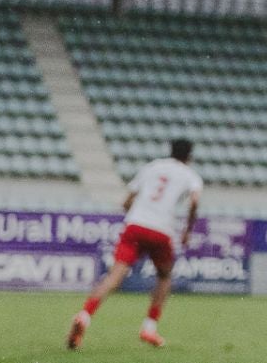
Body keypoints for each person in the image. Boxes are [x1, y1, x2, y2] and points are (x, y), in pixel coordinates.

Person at [67, 138, 202, 350]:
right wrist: (187, 230)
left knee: (114, 276)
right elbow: (194, 201)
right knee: (165, 276)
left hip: (135, 225)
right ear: (189, 156)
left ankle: (85, 315)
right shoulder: (190, 176)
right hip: (161, 230)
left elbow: (127, 201)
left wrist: (133, 211)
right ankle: (149, 327)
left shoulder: (152, 167)